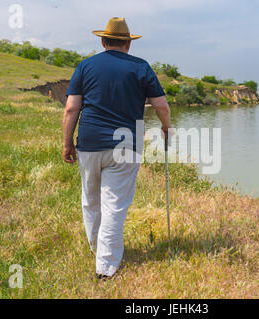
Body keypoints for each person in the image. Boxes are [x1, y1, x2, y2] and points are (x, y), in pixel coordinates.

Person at [62, 17, 171, 279]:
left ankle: (97, 249)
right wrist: (166, 128)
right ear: (128, 45)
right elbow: (161, 106)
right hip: (126, 145)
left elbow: (71, 107)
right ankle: (106, 267)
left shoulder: (86, 66)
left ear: (103, 41)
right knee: (114, 204)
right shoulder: (141, 67)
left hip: (88, 143)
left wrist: (67, 142)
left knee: (91, 199)